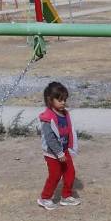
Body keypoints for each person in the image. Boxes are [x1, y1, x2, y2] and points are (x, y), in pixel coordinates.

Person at [37, 81, 80, 210]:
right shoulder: (48, 118)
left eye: (64, 100)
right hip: (52, 153)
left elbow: (69, 131)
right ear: (50, 100)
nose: (63, 102)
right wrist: (59, 153)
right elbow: (50, 139)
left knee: (70, 172)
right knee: (55, 175)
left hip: (64, 150)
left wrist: (69, 148)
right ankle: (45, 198)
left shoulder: (65, 114)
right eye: (59, 100)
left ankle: (66, 196)